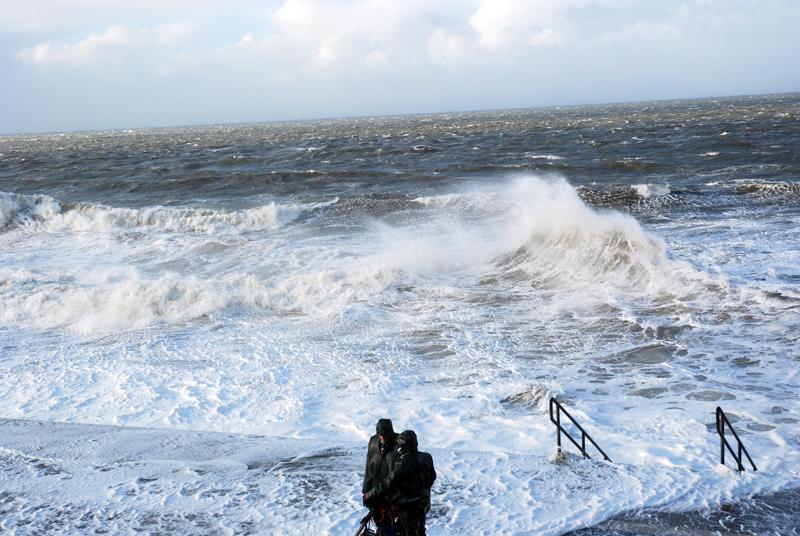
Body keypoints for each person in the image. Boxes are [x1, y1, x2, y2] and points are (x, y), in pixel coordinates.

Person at [365, 430, 436, 536]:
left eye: (400, 445)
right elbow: (432, 476)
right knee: (420, 531)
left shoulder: (403, 463)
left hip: (407, 507)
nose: (398, 448)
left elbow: (388, 483)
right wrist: (420, 488)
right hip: (422, 503)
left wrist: (369, 495)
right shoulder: (426, 457)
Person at [362, 418, 400, 535]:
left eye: (385, 435)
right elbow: (368, 466)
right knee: (381, 524)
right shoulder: (373, 442)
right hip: (375, 493)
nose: (382, 437)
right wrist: (365, 489)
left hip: (392, 495)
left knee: (393, 527)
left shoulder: (399, 444)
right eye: (380, 435)